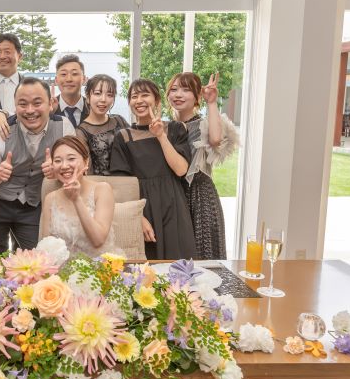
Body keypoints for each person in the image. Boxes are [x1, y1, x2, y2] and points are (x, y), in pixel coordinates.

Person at [0, 77, 75, 251]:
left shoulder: (63, 127)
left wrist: (58, 171)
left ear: (51, 103)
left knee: (36, 258)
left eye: (37, 103)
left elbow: (76, 169)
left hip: (35, 205)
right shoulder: (0, 130)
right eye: (23, 104)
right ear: (15, 106)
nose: (30, 110)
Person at [110, 79, 196, 260]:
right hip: (142, 206)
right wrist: (138, 217)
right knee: (145, 267)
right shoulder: (123, 137)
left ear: (156, 100)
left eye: (145, 95)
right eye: (134, 96)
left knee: (178, 264)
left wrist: (161, 136)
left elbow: (181, 170)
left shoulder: (175, 129)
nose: (139, 100)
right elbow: (121, 184)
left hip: (173, 204)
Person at [167, 72, 238, 260]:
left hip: (199, 198)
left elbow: (215, 140)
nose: (178, 94)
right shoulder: (165, 127)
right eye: (174, 89)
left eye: (186, 90)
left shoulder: (204, 123)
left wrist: (212, 102)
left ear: (197, 96)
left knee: (203, 258)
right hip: (174, 197)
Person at [40, 136, 119, 257]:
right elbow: (45, 248)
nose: (64, 166)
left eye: (71, 159)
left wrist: (76, 199)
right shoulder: (50, 199)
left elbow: (98, 240)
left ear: (86, 162)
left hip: (99, 266)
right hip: (61, 268)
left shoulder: (102, 190)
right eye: (58, 161)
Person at [75, 74, 129, 175]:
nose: (103, 99)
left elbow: (134, 150)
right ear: (88, 97)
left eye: (109, 95)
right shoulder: (81, 132)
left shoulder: (119, 120)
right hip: (98, 183)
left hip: (127, 180)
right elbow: (87, 170)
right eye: (97, 93)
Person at [52, 54, 89, 128]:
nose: (69, 79)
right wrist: (48, 115)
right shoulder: (48, 108)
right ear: (56, 80)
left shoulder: (92, 108)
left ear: (84, 79)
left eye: (74, 74)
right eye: (63, 74)